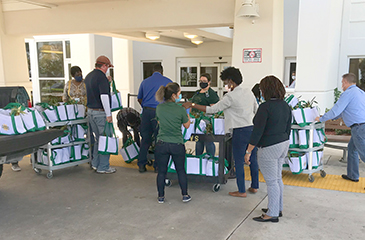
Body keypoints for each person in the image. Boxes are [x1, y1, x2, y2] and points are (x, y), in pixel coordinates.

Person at [183, 67, 259, 198]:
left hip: (239, 131)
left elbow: (213, 109)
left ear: (230, 81)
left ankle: (241, 191)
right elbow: (256, 110)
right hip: (252, 128)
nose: (225, 85)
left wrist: (192, 105)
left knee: (239, 161)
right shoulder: (249, 92)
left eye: (225, 82)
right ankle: (254, 186)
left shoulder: (230, 96)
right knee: (252, 158)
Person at [244, 75, 292, 223]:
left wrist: (248, 151)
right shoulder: (285, 105)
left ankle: (272, 213)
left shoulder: (265, 107)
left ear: (265, 90)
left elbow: (257, 131)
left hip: (269, 147)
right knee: (277, 179)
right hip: (283, 143)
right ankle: (277, 208)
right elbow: (288, 127)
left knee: (271, 181)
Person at [315, 73, 365, 183]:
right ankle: (353, 175)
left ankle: (353, 175)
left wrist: (321, 119)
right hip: (361, 126)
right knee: (352, 150)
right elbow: (343, 112)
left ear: (346, 82)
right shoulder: (360, 92)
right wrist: (330, 117)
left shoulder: (348, 93)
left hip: (359, 127)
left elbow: (336, 110)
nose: (342, 85)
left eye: (342, 83)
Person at [155, 82, 191, 203]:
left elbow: (160, 122)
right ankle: (185, 195)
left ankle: (161, 197)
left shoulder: (159, 108)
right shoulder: (180, 109)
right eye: (179, 93)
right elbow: (186, 125)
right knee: (180, 170)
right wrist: (187, 115)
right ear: (174, 95)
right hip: (177, 143)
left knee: (161, 171)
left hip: (162, 143)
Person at [137, 64, 172, 173]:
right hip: (160, 113)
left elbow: (139, 98)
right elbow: (170, 99)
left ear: (153, 71)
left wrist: (145, 107)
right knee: (159, 140)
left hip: (146, 112)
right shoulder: (168, 82)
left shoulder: (145, 82)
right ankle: (157, 166)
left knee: (145, 139)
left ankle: (141, 165)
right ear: (162, 71)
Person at [84, 55, 116, 174]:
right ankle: (104, 166)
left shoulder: (89, 76)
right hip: (100, 113)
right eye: (107, 66)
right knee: (105, 139)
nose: (107, 69)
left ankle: (95, 164)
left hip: (91, 111)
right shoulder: (101, 77)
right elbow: (104, 96)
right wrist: (109, 114)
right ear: (103, 66)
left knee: (98, 139)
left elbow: (94, 90)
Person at [191, 73, 219, 156]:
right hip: (196, 119)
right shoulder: (197, 93)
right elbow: (192, 104)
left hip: (206, 121)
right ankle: (198, 159)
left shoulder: (212, 94)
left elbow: (213, 109)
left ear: (209, 82)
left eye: (204, 81)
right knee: (199, 140)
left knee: (208, 140)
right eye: (200, 81)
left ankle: (211, 160)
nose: (202, 82)